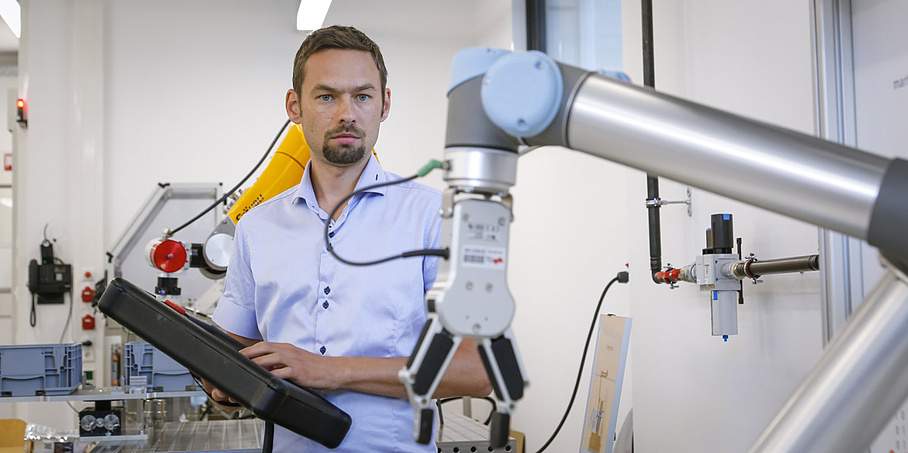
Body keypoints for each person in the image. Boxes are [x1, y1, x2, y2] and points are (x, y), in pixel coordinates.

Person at [208, 25, 492, 452]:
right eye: (326, 96)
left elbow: (477, 369)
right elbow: (235, 354)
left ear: (384, 104)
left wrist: (328, 371)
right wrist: (222, 381)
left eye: (362, 95)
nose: (347, 113)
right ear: (295, 106)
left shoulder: (437, 219)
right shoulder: (256, 227)